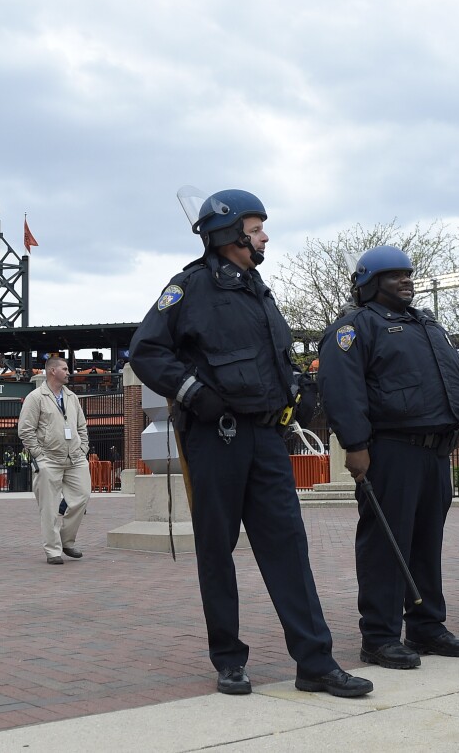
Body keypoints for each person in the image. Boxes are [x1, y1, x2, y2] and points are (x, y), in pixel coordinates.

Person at [129, 187, 372, 699]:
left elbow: (273, 359)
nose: (265, 235)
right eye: (256, 226)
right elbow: (147, 351)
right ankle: (229, 660)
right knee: (217, 551)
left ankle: (315, 663)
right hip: (218, 437)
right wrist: (195, 393)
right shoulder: (188, 287)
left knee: (289, 549)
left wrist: (297, 392)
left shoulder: (260, 290)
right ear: (228, 233)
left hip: (266, 438)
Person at [318, 246, 459, 670]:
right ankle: (380, 636)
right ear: (370, 283)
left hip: (435, 452)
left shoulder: (428, 324)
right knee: (386, 545)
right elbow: (342, 388)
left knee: (426, 543)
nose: (406, 281)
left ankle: (427, 627)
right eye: (394, 276)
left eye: (408, 274)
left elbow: (454, 379)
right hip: (391, 452)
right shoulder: (355, 326)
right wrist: (356, 445)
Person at [17, 357, 91, 563]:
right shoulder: (36, 397)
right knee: (49, 508)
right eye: (65, 369)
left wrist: (83, 448)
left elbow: (82, 427)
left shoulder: (71, 397)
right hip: (49, 459)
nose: (69, 372)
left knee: (82, 497)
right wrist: (39, 455)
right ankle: (53, 551)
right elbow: (25, 429)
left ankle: (66, 541)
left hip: (75, 458)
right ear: (52, 371)